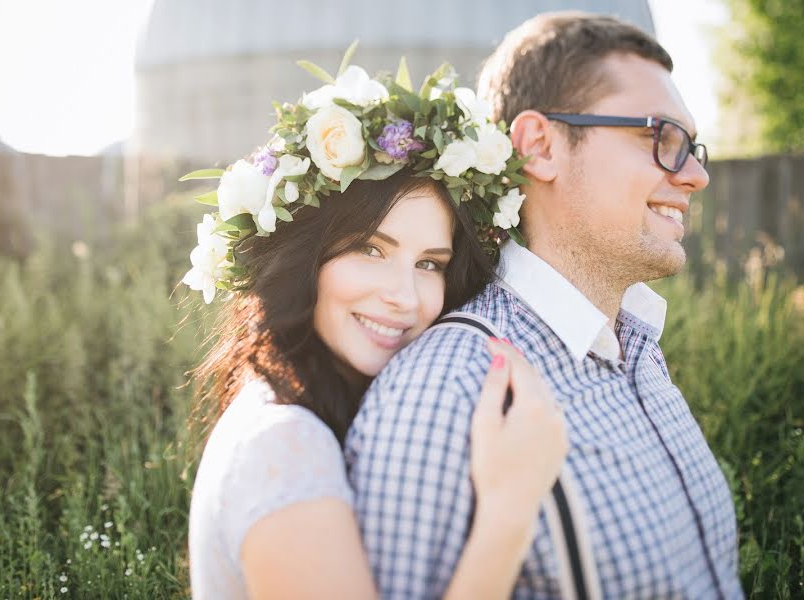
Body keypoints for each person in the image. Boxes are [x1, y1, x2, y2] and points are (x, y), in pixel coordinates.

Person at [345, 12, 745, 600]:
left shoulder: (638, 350)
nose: (697, 176)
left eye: (692, 146)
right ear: (540, 146)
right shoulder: (447, 390)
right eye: (660, 138)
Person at [183, 57, 568, 599]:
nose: (404, 297)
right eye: (371, 249)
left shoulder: (327, 411)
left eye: (429, 263)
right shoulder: (284, 445)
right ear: (305, 258)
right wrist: (510, 510)